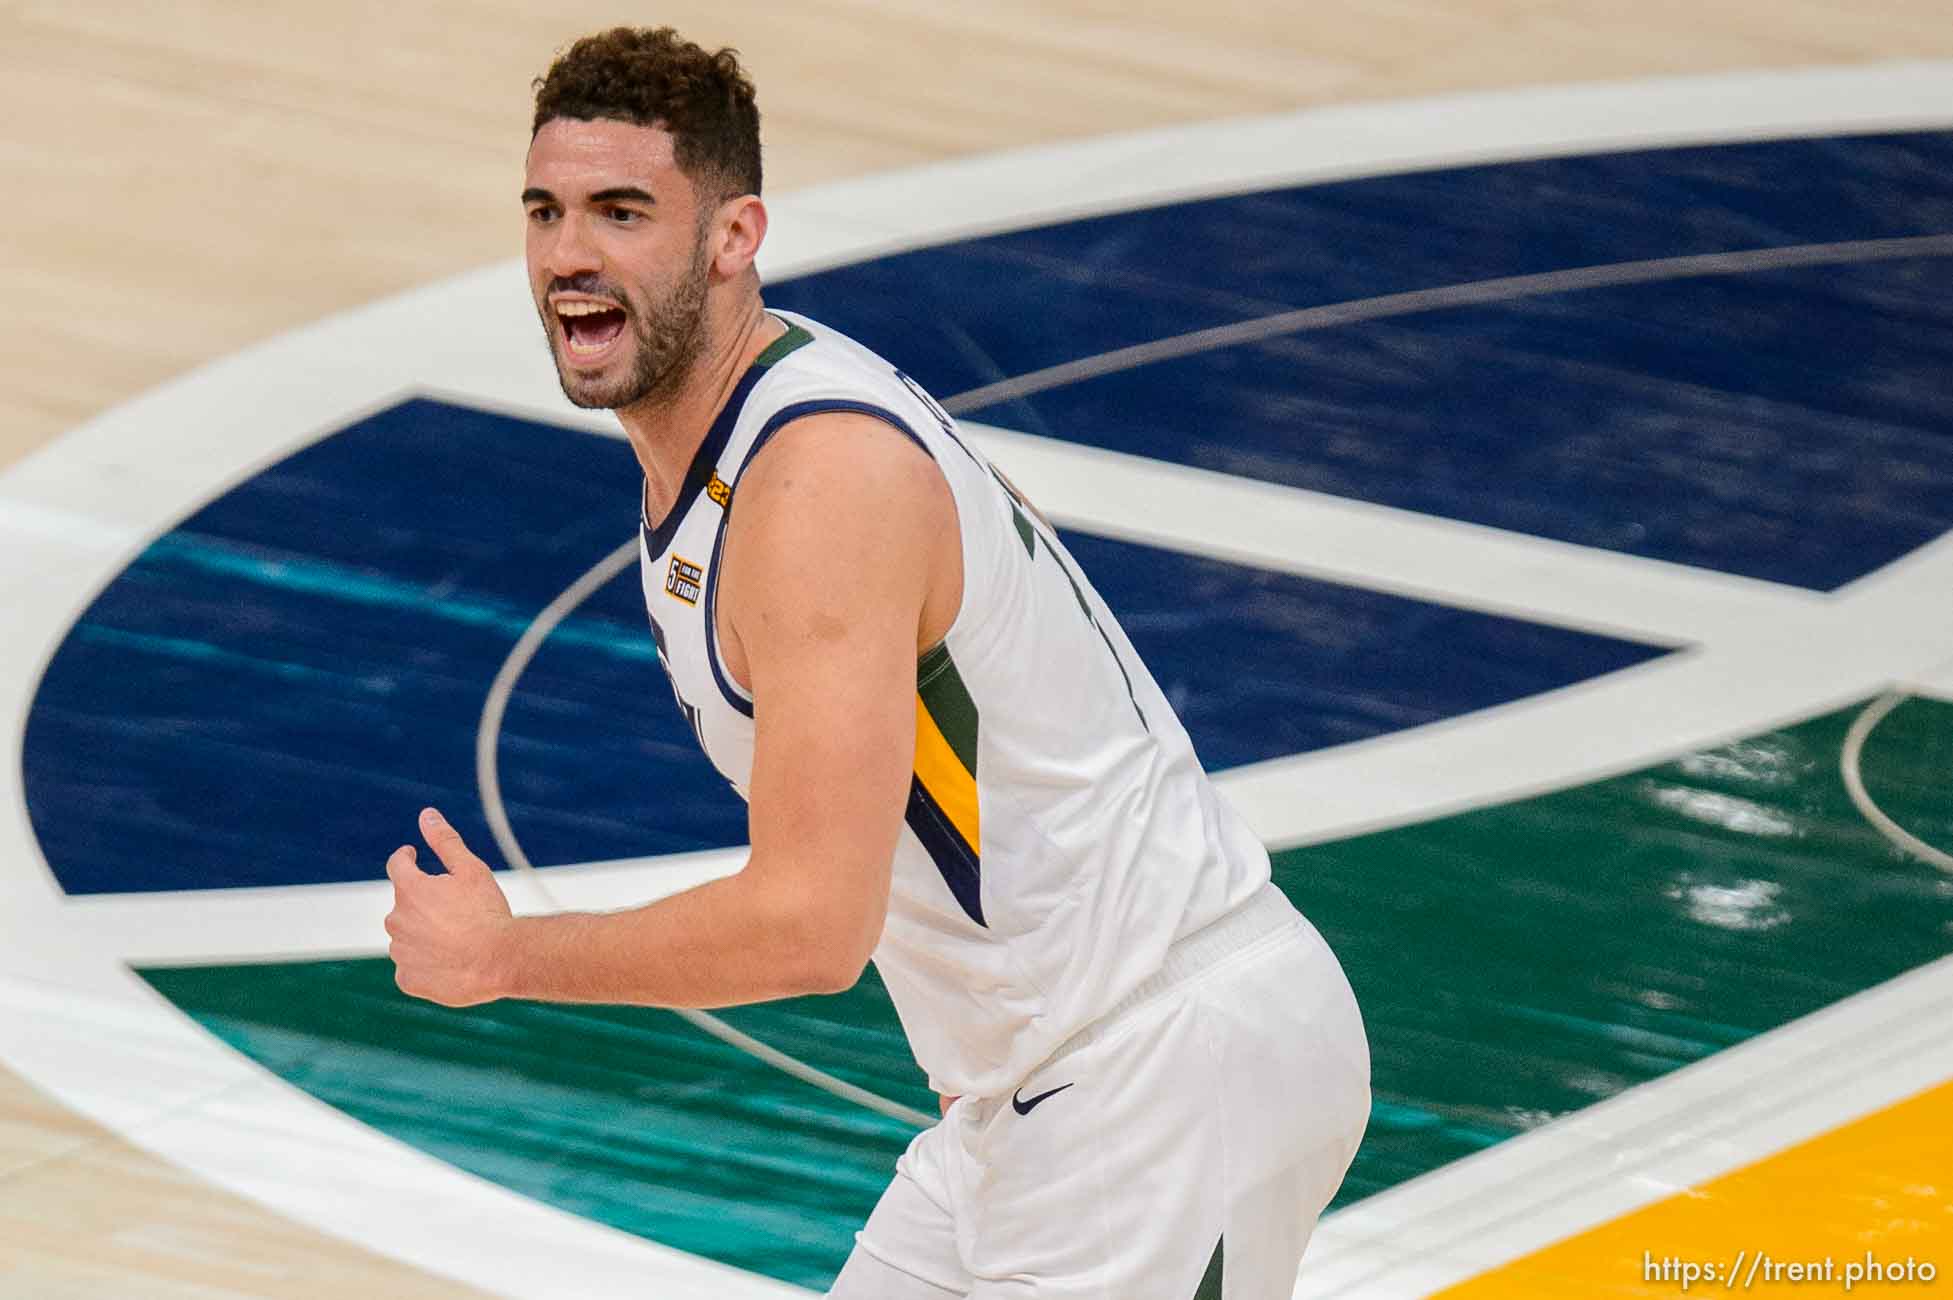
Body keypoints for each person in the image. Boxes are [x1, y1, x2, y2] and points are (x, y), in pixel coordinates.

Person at [382, 26, 1370, 1300]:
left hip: (1153, 1084)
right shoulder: (713, 458)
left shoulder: (818, 485)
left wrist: (512, 955)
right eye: (547, 212)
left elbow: (810, 925)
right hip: (1031, 1099)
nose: (571, 254)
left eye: (622, 212)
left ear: (734, 237)